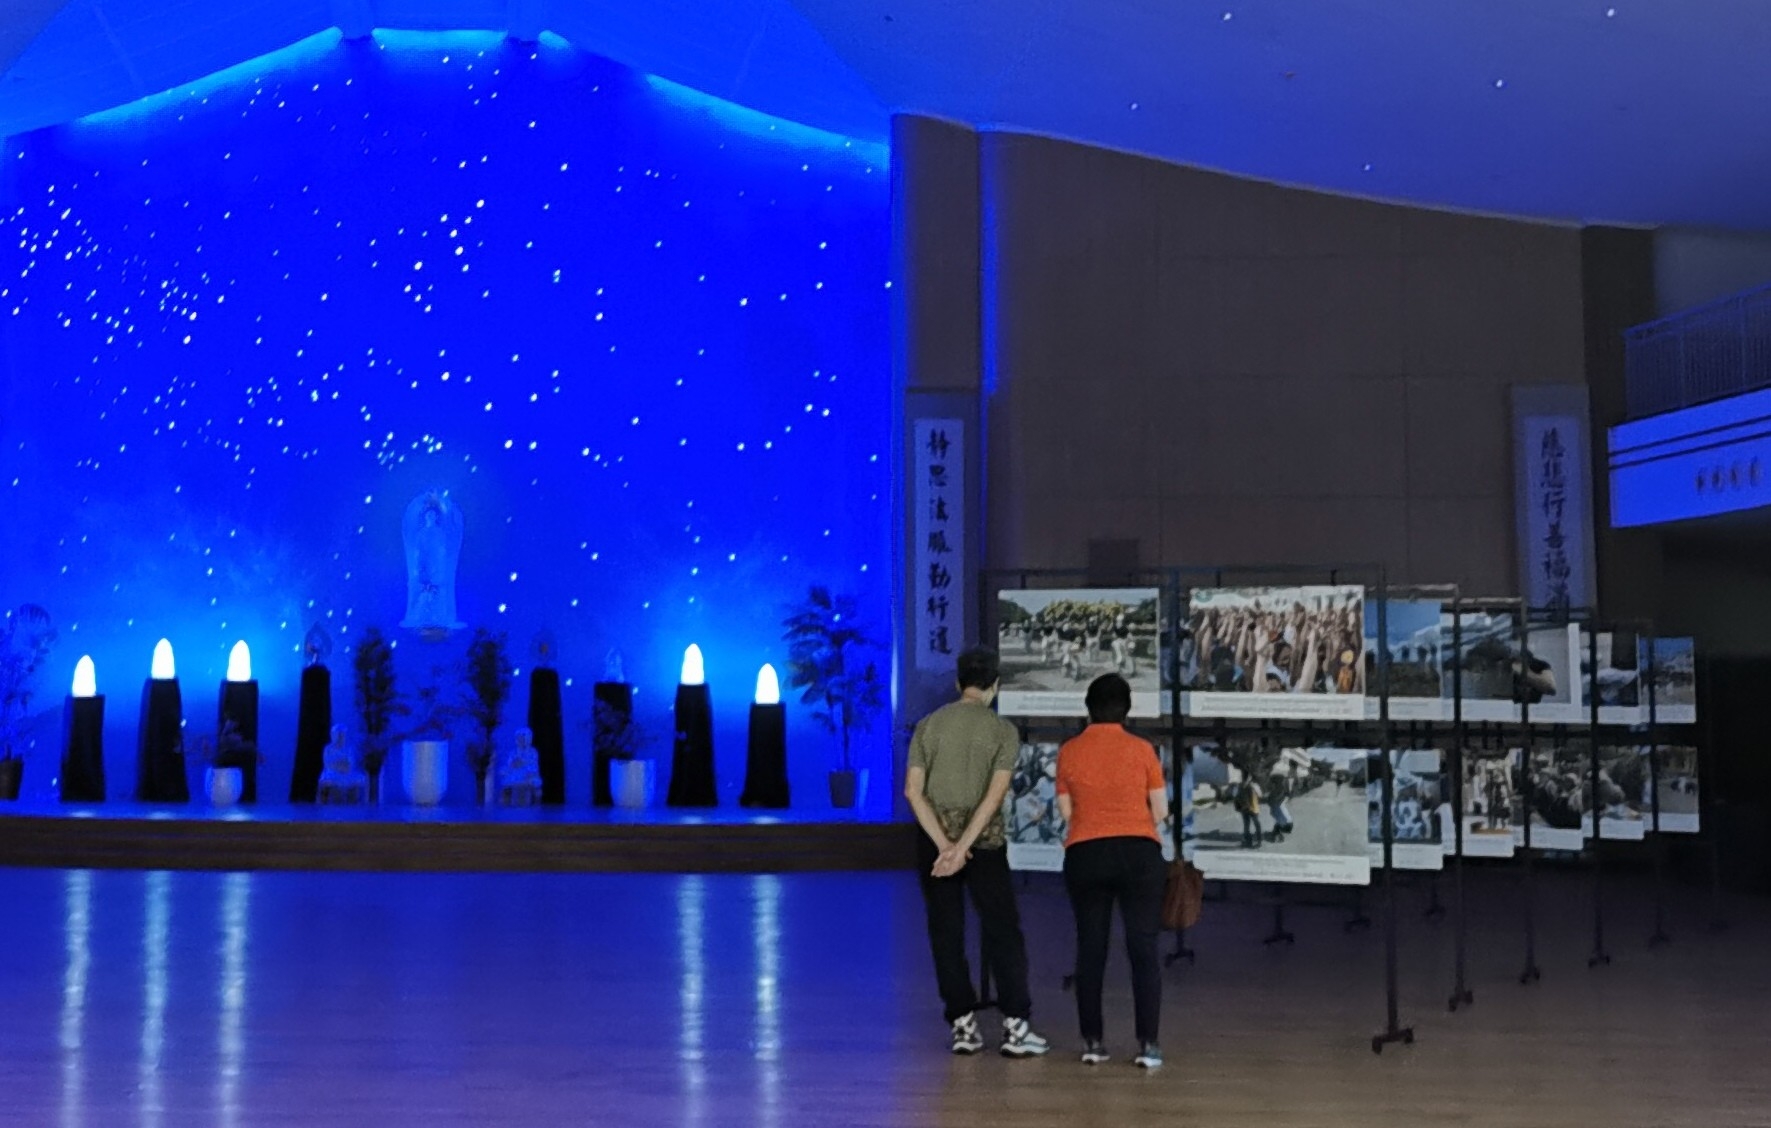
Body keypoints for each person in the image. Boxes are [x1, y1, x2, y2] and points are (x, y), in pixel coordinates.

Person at [904, 648, 1049, 1058]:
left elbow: (912, 791)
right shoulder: (1003, 731)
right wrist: (965, 846)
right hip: (984, 844)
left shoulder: (929, 726)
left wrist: (945, 847)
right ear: (996, 686)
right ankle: (1016, 1027)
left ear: (957, 683)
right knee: (1003, 930)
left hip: (935, 845)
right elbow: (994, 797)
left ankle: (963, 1026)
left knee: (945, 932)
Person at [1055, 674, 1168, 1070]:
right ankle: (1148, 1045)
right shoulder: (1143, 749)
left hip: (1086, 853)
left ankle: (1093, 1042)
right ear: (1127, 708)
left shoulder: (1069, 750)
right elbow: (1160, 811)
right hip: (1139, 853)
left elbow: (1067, 813)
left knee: (1091, 948)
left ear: (1088, 707)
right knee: (1143, 948)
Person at [1237, 775, 1264, 848]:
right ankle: (1259, 841)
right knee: (1257, 824)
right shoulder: (1254, 786)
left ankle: (1248, 841)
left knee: (1246, 825)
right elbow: (1260, 795)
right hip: (1253, 808)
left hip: (1244, 808)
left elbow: (1236, 796)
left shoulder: (1240, 786)